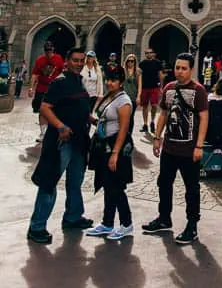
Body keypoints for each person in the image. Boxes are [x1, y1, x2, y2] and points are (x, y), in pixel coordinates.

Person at [27, 47, 92, 244]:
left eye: (82, 60)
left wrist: (91, 118)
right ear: (67, 61)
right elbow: (45, 108)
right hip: (61, 141)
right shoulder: (60, 82)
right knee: (49, 181)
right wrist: (60, 126)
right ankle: (37, 227)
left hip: (79, 140)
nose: (79, 64)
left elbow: (76, 106)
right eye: (75, 60)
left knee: (75, 181)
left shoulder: (79, 81)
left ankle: (73, 217)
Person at [142, 53, 208, 245]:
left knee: (191, 189)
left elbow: (204, 118)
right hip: (170, 148)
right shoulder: (169, 88)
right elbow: (163, 113)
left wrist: (199, 145)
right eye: (177, 67)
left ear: (191, 70)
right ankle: (164, 218)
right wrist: (156, 137)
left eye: (183, 68)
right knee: (164, 183)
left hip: (190, 150)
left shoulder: (199, 90)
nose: (179, 71)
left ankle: (192, 226)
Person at [87, 65, 134, 240]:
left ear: (121, 82)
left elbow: (123, 129)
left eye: (114, 80)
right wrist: (92, 120)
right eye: (108, 79)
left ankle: (126, 223)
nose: (109, 83)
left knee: (116, 186)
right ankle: (107, 222)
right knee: (107, 185)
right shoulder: (109, 96)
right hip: (102, 145)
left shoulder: (124, 101)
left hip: (116, 146)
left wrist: (115, 153)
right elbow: (104, 120)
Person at [28, 41, 64, 143]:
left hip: (54, 89)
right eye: (47, 50)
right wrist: (31, 88)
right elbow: (35, 74)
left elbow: (62, 72)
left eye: (50, 50)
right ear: (44, 50)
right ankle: (43, 133)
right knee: (42, 111)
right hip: (41, 89)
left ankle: (52, 131)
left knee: (54, 111)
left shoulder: (58, 58)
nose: (49, 52)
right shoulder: (40, 60)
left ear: (53, 50)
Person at [138, 47, 163, 134]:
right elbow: (139, 76)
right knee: (144, 106)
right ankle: (145, 124)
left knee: (154, 105)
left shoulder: (157, 63)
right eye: (146, 53)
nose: (148, 54)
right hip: (144, 87)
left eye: (150, 52)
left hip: (154, 87)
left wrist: (161, 87)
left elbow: (160, 75)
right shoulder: (142, 63)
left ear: (153, 54)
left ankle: (152, 122)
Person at [123, 53, 141, 134]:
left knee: (131, 117)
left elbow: (140, 85)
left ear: (135, 62)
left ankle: (129, 134)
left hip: (133, 97)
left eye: (132, 61)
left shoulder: (138, 72)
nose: (130, 62)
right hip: (123, 97)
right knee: (123, 116)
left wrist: (138, 97)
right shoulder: (123, 70)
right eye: (128, 61)